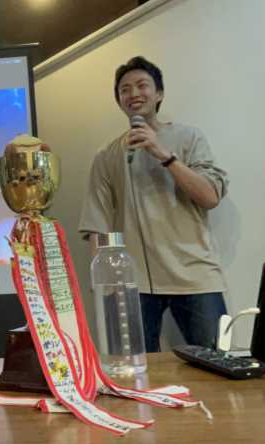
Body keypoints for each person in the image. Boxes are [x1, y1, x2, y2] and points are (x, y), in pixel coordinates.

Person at [79, 56, 229, 350]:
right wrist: (103, 285)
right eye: (124, 89)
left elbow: (210, 197)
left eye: (142, 85)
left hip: (194, 274)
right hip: (131, 282)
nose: (133, 93)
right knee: (134, 369)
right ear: (119, 100)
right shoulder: (107, 155)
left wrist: (163, 153)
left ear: (159, 93)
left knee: (218, 362)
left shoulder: (188, 137)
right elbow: (97, 223)